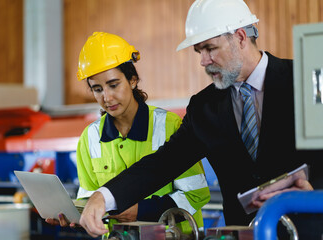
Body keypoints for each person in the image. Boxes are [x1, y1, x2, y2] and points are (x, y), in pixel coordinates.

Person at [79, 0, 323, 238]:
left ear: (239, 37)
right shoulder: (205, 107)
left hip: (310, 228)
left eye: (210, 48)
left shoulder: (307, 81)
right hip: (245, 233)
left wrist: (314, 193)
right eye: (199, 51)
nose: (203, 61)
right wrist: (104, 196)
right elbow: (162, 163)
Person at [46, 32, 210, 235]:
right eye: (97, 89)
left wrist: (141, 211)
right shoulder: (89, 138)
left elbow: (196, 194)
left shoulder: (170, 126)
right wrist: (80, 215)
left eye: (113, 85)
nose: (107, 97)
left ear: (133, 80)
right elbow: (89, 198)